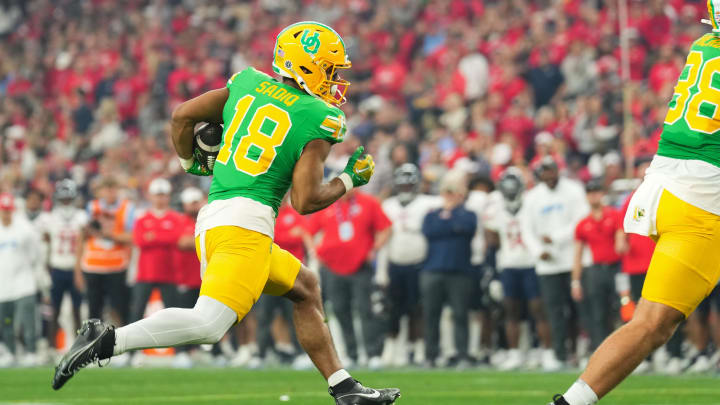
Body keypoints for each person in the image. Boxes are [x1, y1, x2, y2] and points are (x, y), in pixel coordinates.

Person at [54, 21, 401, 405]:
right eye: (331, 69)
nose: (336, 80)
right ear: (308, 65)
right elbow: (305, 201)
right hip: (246, 227)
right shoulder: (320, 116)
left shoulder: (247, 82)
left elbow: (182, 115)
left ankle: (344, 387)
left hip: (216, 217)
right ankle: (107, 341)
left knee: (305, 287)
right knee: (208, 324)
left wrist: (190, 164)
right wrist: (350, 179)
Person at [550, 5, 720, 404]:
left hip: (671, 188)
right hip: (704, 199)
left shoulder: (704, 45)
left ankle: (571, 403)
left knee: (650, 324)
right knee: (650, 324)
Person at [308, 187, 392, 369]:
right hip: (332, 266)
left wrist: (375, 248)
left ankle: (373, 353)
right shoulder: (327, 204)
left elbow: (386, 227)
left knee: (366, 309)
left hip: (360, 266)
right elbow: (309, 230)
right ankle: (351, 353)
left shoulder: (368, 203)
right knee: (339, 310)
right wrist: (315, 251)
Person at [520, 157, 589, 371]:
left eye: (551, 171)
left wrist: (556, 237)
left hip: (572, 260)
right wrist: (539, 251)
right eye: (544, 172)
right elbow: (526, 229)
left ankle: (581, 351)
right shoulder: (532, 197)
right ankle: (559, 353)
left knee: (579, 309)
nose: (549, 176)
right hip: (547, 264)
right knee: (553, 311)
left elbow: (581, 219)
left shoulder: (573, 190)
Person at [484, 168, 552, 371]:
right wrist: (494, 274)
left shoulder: (532, 203)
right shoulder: (495, 208)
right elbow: (492, 240)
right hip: (509, 263)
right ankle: (514, 353)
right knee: (510, 310)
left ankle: (545, 351)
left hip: (532, 263)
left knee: (538, 309)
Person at [379, 163, 441, 366]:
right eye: (402, 185)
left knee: (418, 309)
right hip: (395, 263)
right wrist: (381, 271)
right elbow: (384, 239)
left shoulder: (429, 203)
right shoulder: (388, 205)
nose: (405, 188)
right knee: (393, 310)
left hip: (420, 264)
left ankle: (420, 348)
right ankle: (392, 349)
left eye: (409, 185)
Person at [420, 172, 477, 368]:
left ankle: (462, 355)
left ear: (461, 194)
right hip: (433, 270)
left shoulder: (468, 214)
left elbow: (465, 228)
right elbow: (430, 231)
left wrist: (449, 218)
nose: (450, 196)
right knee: (431, 315)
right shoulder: (431, 214)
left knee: (461, 314)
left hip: (459, 272)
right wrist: (450, 222)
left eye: (453, 192)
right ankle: (430, 356)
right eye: (447, 192)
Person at [570, 179, 623, 354]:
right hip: (596, 269)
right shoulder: (583, 223)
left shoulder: (614, 215)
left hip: (617, 268)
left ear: (602, 194)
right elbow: (577, 254)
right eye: (590, 193)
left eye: (596, 192)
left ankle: (624, 350)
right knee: (598, 312)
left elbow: (621, 242)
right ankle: (602, 352)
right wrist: (576, 281)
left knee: (623, 308)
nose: (594, 196)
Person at [36, 180, 88, 353]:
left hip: (76, 268)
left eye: (68, 199)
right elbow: (46, 246)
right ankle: (51, 347)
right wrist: (45, 270)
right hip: (57, 268)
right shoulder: (49, 218)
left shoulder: (82, 216)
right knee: (54, 309)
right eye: (63, 199)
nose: (66, 202)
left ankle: (78, 347)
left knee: (77, 309)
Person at [75, 176, 135, 326]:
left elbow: (133, 237)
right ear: (100, 191)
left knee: (120, 307)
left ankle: (122, 342)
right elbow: (82, 238)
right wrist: (78, 269)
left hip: (117, 266)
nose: (110, 193)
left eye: (113, 189)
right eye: (106, 189)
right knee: (94, 310)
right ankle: (94, 343)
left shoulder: (127, 208)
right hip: (93, 265)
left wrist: (111, 235)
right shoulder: (91, 207)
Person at [129, 178, 182, 325]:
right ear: (150, 196)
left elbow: (175, 238)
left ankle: (178, 348)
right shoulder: (142, 218)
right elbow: (139, 240)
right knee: (137, 310)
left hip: (168, 273)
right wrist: (163, 236)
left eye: (163, 195)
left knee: (172, 312)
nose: (160, 198)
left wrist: (153, 236)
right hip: (145, 273)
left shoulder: (176, 218)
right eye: (158, 195)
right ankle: (132, 347)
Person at [0, 193, 42, 367]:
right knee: (6, 321)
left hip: (23, 283)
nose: (6, 214)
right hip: (3, 285)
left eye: (8, 211)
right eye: (3, 210)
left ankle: (31, 351)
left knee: (26, 319)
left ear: (13, 211)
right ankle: (10, 351)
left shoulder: (25, 229)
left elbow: (36, 253)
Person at [172, 186, 206, 368]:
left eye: (197, 202)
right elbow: (182, 242)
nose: (195, 206)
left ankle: (196, 350)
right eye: (192, 203)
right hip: (184, 278)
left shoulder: (206, 219)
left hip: (203, 278)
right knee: (183, 317)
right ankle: (181, 352)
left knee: (200, 318)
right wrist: (206, 240)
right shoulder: (180, 221)